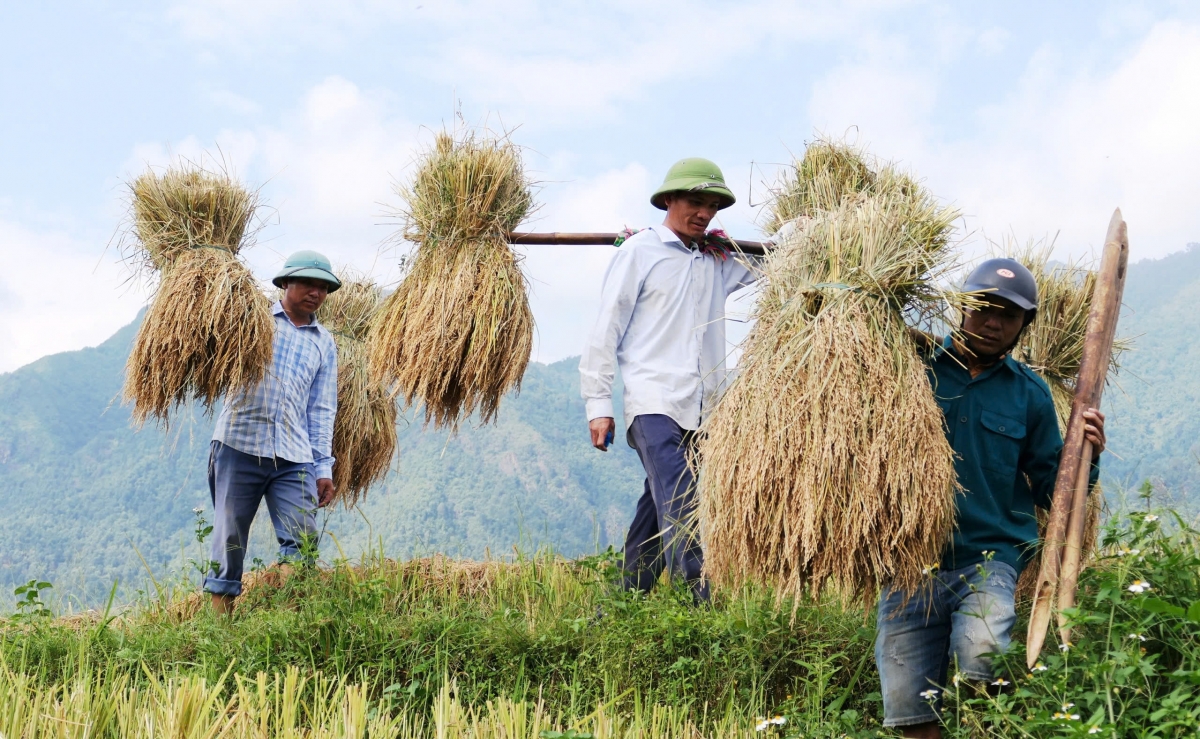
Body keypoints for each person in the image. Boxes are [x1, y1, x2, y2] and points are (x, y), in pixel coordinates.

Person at [875, 258, 1107, 737]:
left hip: (989, 558)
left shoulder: (1030, 395)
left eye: (1009, 315)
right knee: (908, 709)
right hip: (908, 559)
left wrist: (1086, 454)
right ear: (963, 307)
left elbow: (1052, 490)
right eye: (983, 307)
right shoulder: (911, 367)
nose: (993, 322)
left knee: (982, 658)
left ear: (1024, 325)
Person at [579, 158, 758, 602]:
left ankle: (624, 605)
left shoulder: (717, 259)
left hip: (704, 409)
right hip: (653, 403)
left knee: (656, 508)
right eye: (696, 202)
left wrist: (806, 233)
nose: (704, 213)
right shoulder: (640, 252)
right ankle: (701, 612)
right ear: (669, 200)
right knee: (683, 503)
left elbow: (773, 266)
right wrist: (598, 405)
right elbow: (606, 329)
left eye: (713, 206)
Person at [204, 250, 341, 615]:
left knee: (303, 540)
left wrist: (323, 468)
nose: (316, 292)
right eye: (308, 283)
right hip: (239, 443)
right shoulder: (253, 318)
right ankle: (219, 631)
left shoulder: (324, 342)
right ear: (285, 283)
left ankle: (276, 619)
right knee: (229, 540)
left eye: (323, 287)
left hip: (294, 456)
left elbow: (322, 409)